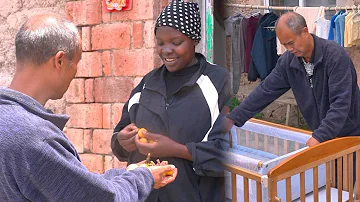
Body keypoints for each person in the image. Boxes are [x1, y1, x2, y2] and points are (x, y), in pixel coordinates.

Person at [0, 13, 178, 202]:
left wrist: (131, 172)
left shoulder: (8, 118)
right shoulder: (36, 139)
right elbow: (101, 199)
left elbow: (74, 186)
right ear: (59, 60)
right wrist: (145, 178)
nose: (75, 72)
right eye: (76, 62)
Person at [111, 1, 231, 201]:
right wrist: (122, 142)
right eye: (160, 43)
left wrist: (177, 150)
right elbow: (120, 135)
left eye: (176, 43)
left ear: (194, 40)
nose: (166, 50)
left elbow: (228, 154)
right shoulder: (147, 84)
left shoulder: (219, 83)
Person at [223, 11, 360, 146]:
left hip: (351, 135)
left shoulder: (335, 56)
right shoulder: (288, 61)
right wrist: (235, 117)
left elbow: (341, 103)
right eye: (284, 45)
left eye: (291, 43)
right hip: (322, 135)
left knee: (350, 168)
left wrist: (320, 136)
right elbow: (265, 90)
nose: (289, 49)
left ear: (305, 32)